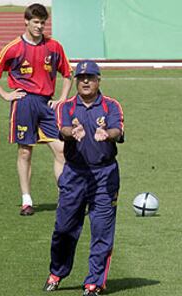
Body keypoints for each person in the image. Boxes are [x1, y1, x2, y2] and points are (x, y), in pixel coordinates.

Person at [43, 60, 124, 296]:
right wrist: (72, 133)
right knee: (64, 229)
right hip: (75, 174)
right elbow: (63, 129)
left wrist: (107, 135)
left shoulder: (111, 106)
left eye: (90, 77)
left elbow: (118, 130)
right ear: (77, 81)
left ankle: (94, 283)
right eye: (81, 78)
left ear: (99, 80)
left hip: (105, 176)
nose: (86, 81)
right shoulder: (66, 107)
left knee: (101, 230)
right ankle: (57, 272)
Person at [0, 3, 73, 215]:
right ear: (26, 21)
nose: (40, 26)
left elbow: (68, 74)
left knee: (61, 151)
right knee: (25, 151)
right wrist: (5, 95)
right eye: (36, 22)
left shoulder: (54, 47)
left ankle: (66, 198)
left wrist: (61, 98)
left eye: (43, 22)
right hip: (24, 103)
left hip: (46, 103)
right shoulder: (13, 47)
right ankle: (26, 200)